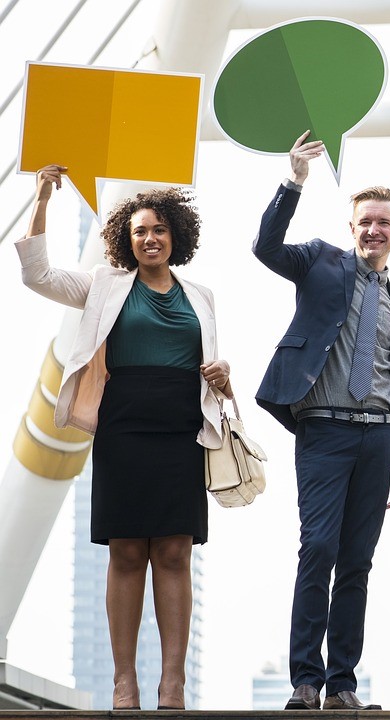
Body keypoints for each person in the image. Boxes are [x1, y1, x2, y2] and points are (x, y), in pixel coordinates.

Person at [16, 165, 232, 710]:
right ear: (125, 240)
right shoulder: (102, 287)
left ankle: (173, 684)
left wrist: (223, 374)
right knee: (127, 549)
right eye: (139, 231)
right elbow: (37, 276)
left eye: (159, 229)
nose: (150, 238)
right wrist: (41, 198)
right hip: (124, 424)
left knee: (177, 551)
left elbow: (209, 365)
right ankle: (123, 683)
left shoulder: (201, 295)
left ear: (175, 236)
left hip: (182, 427)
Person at [251, 131, 390, 711]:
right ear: (352, 228)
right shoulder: (319, 260)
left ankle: (343, 683)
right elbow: (266, 246)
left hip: (378, 437)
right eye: (365, 221)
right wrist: (293, 180)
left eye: (384, 223)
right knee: (318, 547)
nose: (374, 230)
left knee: (358, 561)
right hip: (323, 430)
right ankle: (305, 679)